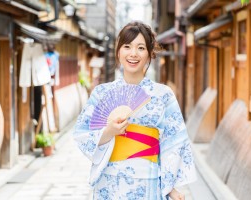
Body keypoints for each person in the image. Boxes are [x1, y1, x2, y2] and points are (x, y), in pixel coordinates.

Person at [74, 21, 197, 200]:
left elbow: (174, 142)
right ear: (118, 51)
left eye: (141, 48)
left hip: (149, 181)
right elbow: (82, 134)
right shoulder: (102, 93)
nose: (133, 53)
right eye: (127, 46)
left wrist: (170, 187)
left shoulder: (163, 95)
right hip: (110, 183)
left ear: (149, 54)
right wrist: (109, 132)